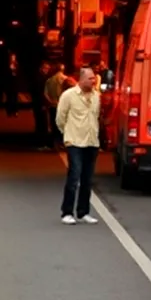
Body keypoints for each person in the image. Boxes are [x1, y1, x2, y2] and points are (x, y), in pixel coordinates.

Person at [57, 67, 102, 224]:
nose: (93, 81)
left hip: (91, 142)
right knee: (74, 175)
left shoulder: (96, 96)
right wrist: (68, 133)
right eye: (90, 78)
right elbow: (60, 118)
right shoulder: (68, 96)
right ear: (81, 79)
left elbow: (96, 116)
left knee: (87, 179)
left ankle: (83, 212)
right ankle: (67, 212)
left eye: (94, 78)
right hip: (75, 141)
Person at [43, 63, 68, 148]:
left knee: (54, 124)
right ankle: (62, 142)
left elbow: (45, 93)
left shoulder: (49, 80)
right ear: (62, 70)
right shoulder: (66, 79)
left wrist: (50, 102)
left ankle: (54, 142)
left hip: (53, 105)